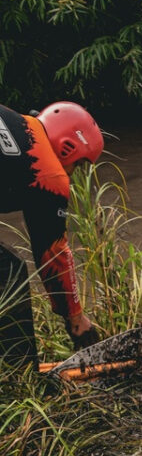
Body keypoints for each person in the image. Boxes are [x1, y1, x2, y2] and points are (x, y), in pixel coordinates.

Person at [0, 102, 103, 367]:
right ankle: (19, 373)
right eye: (78, 164)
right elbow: (53, 253)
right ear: (67, 145)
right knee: (9, 275)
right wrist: (76, 319)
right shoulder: (47, 168)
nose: (73, 173)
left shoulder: (17, 125)